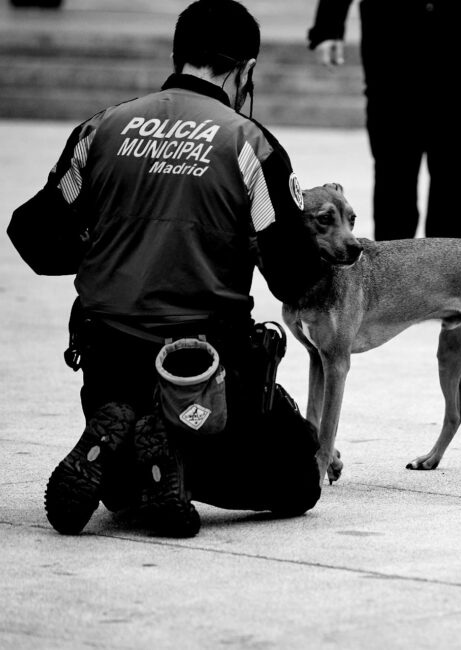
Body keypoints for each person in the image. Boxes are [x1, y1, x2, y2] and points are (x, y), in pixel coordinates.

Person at [7, 0, 328, 538]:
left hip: (108, 358)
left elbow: (34, 238)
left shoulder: (102, 127)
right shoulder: (249, 143)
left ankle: (121, 446)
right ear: (246, 69)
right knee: (298, 475)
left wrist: (110, 242)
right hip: (201, 371)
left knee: (123, 488)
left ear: (178, 55)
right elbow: (293, 277)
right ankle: (167, 446)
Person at [307, 0, 461, 240]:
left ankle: (448, 270)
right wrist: (328, 25)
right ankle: (392, 270)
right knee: (393, 165)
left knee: (454, 167)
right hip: (392, 36)